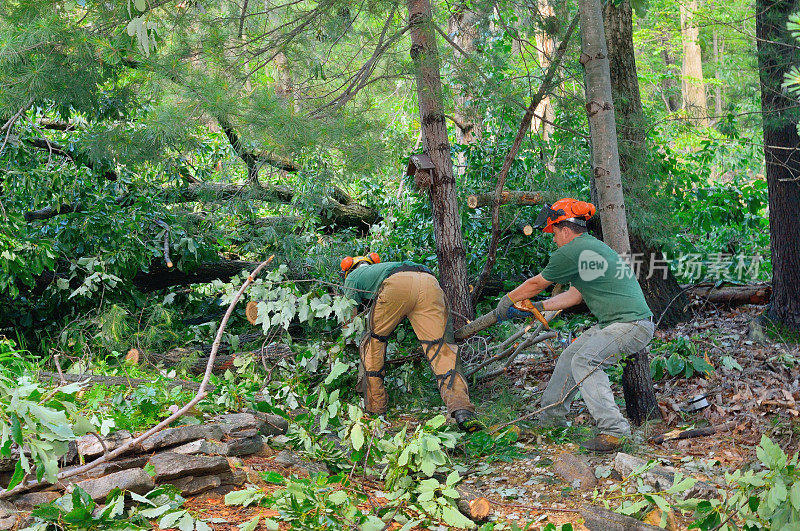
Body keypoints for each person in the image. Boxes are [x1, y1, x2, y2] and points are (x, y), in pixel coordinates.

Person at [495, 198, 654, 452]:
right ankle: (550, 422)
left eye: (555, 234)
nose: (554, 240)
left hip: (630, 324)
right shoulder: (590, 248)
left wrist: (508, 300)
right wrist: (536, 307)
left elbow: (536, 284)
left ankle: (615, 432)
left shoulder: (572, 251)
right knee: (570, 356)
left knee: (585, 360)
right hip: (616, 324)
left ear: (566, 230)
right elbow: (574, 296)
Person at [341, 253, 482, 433]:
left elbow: (349, 319)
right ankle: (461, 408)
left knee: (374, 342)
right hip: (430, 282)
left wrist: (349, 340)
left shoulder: (352, 277)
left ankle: (375, 409)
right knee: (441, 348)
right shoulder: (385, 267)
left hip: (397, 286)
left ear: (348, 270)